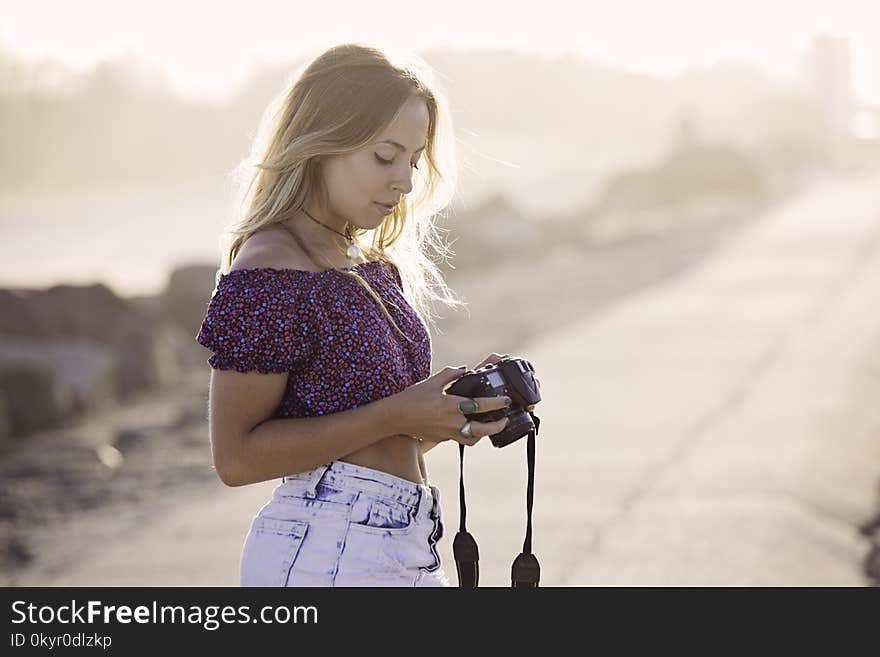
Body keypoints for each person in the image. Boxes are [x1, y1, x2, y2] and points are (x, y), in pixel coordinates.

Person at [196, 43, 536, 587]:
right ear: (322, 142)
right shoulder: (270, 271)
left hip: (400, 544)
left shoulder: (369, 264)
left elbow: (373, 437)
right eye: (385, 156)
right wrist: (399, 414)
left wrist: (448, 416)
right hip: (326, 551)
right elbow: (235, 459)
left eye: (413, 161)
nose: (403, 181)